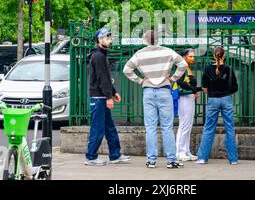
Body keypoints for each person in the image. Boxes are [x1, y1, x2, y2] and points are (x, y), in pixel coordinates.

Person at [123, 30, 187, 169]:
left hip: (148, 92)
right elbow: (182, 64)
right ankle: (171, 160)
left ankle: (151, 160)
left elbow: (126, 69)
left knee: (150, 127)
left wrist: (140, 80)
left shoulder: (139, 54)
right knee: (167, 127)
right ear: (158, 40)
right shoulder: (168, 51)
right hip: (164, 90)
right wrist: (173, 78)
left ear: (145, 41)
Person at [85, 27, 131, 166]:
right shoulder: (98, 56)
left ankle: (115, 155)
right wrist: (109, 97)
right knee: (97, 128)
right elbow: (101, 79)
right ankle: (91, 157)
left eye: (110, 37)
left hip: (101, 96)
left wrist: (113, 91)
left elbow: (106, 77)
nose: (109, 40)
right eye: (107, 37)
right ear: (99, 40)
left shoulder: (101, 55)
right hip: (99, 98)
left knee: (109, 127)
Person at [196, 46, 239, 165]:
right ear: (224, 55)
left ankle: (202, 158)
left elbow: (204, 87)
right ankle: (233, 159)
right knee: (229, 128)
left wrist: (211, 90)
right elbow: (235, 87)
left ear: (214, 55)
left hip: (212, 99)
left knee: (209, 128)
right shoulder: (229, 69)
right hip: (226, 99)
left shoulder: (208, 69)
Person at [175, 48, 201, 162]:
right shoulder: (181, 67)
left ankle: (186, 151)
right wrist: (194, 90)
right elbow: (180, 82)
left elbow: (190, 86)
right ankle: (179, 152)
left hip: (189, 97)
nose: (193, 58)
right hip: (183, 98)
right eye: (190, 56)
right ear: (185, 57)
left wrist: (198, 90)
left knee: (189, 125)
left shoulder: (188, 68)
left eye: (193, 56)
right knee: (184, 124)